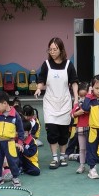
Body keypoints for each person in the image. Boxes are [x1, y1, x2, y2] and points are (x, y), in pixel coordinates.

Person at [33, 36, 79, 169]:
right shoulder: (46, 64)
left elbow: (74, 82)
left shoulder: (68, 65)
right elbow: (41, 80)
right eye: (50, 49)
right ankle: (54, 157)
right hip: (50, 104)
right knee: (52, 131)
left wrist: (76, 98)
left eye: (55, 49)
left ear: (61, 50)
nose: (52, 52)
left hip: (65, 103)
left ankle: (63, 156)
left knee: (64, 132)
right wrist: (38, 89)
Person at [0, 90, 25, 187]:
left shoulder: (15, 115)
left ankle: (15, 177)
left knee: (13, 160)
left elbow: (21, 130)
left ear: (5, 103)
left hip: (10, 143)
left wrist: (20, 142)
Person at [81, 75, 99, 179]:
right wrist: (89, 94)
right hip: (93, 130)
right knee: (92, 150)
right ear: (92, 87)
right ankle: (92, 169)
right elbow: (85, 108)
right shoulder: (90, 100)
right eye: (96, 88)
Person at [71, 81, 90, 174]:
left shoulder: (90, 102)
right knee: (82, 148)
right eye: (81, 96)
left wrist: (79, 111)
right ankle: (82, 165)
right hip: (80, 129)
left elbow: (87, 110)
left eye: (85, 95)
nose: (82, 98)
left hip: (90, 128)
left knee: (91, 148)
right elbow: (72, 114)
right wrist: (76, 112)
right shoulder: (77, 103)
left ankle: (92, 166)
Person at [18, 104, 42, 177]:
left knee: (36, 171)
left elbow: (30, 153)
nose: (26, 117)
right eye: (25, 115)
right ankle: (19, 167)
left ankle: (24, 168)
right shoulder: (19, 122)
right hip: (20, 157)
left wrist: (23, 148)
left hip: (29, 159)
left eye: (28, 115)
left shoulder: (35, 123)